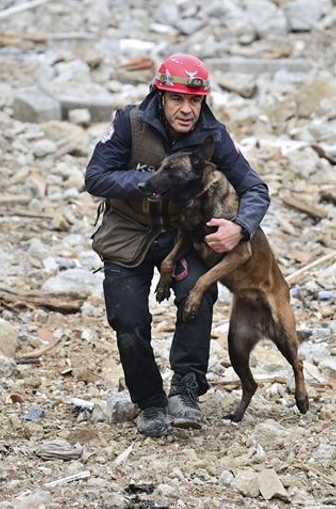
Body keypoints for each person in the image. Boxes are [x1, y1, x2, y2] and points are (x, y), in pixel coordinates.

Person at [84, 53, 270, 437]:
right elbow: (96, 177)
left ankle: (186, 388)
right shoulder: (129, 124)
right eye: (177, 99)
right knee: (129, 319)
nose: (187, 110)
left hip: (179, 237)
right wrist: (149, 183)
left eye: (195, 101)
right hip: (126, 234)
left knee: (196, 297)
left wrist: (241, 227)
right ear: (160, 95)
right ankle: (150, 402)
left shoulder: (212, 136)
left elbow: (255, 188)